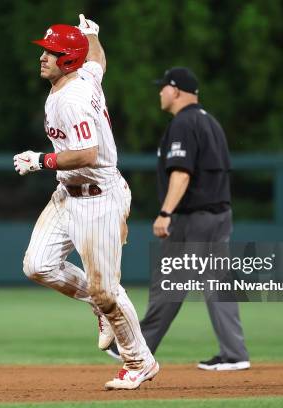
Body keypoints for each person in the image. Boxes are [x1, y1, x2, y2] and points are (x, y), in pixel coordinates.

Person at [13, 15, 159, 390]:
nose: (43, 57)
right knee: (38, 265)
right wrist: (93, 35)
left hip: (99, 200)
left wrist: (40, 160)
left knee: (107, 290)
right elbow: (98, 63)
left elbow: (87, 153)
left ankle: (139, 362)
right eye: (45, 50)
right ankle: (97, 305)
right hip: (68, 194)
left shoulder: (71, 99)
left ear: (67, 60)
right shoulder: (83, 76)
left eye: (52, 52)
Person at [106, 67, 250, 371]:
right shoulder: (210, 122)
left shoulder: (183, 124)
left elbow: (182, 174)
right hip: (220, 214)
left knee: (169, 283)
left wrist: (165, 212)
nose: (160, 92)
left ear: (176, 90)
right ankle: (235, 353)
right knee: (215, 283)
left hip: (192, 218)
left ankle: (136, 347)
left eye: (164, 87)